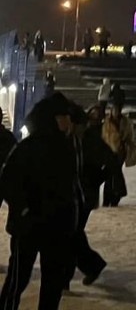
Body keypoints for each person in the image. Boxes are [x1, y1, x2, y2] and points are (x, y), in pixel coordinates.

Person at [0, 92, 79, 309]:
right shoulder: (28, 147)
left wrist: (71, 217)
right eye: (65, 116)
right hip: (28, 227)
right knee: (18, 279)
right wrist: (24, 209)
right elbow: (8, 182)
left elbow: (70, 186)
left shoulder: (65, 147)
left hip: (57, 227)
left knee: (52, 284)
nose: (68, 121)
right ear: (54, 117)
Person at [66, 103, 110, 289]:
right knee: (72, 235)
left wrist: (94, 180)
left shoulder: (91, 139)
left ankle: (87, 267)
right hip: (70, 195)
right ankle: (91, 265)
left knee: (71, 235)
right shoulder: (68, 140)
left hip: (84, 196)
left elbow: (112, 161)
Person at [101, 103, 136, 206]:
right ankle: (111, 197)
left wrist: (125, 143)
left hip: (121, 151)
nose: (116, 112)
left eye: (118, 110)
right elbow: (103, 136)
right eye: (114, 110)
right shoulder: (106, 122)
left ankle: (114, 196)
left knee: (116, 172)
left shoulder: (125, 122)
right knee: (110, 175)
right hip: (108, 150)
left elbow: (129, 135)